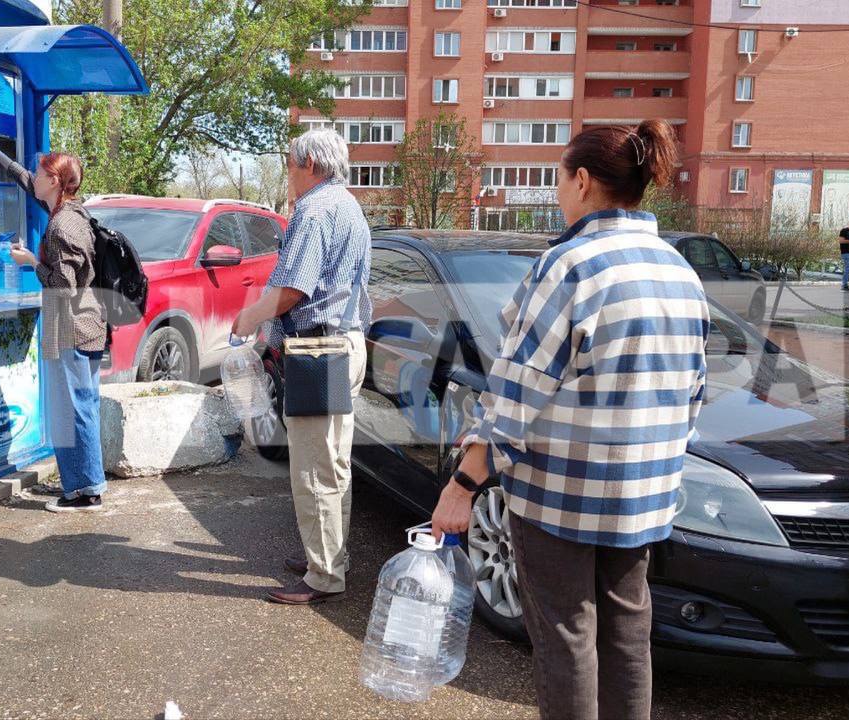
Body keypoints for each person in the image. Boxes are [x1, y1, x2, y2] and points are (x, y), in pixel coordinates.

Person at [430, 120, 709, 720]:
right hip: (644, 495)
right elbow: (692, 393)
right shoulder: (679, 272)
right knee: (629, 634)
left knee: (566, 637)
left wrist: (463, 483)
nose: (558, 192)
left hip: (559, 496)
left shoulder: (569, 265)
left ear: (582, 182)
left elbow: (515, 395)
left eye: (559, 178)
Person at [232, 129, 372, 605]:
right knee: (333, 464)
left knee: (314, 468)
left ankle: (324, 575)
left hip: (319, 351)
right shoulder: (348, 204)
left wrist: (249, 316)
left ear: (310, 163)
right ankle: (330, 557)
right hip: (343, 345)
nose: (288, 174)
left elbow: (294, 288)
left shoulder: (315, 209)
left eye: (290, 165)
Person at [0, 137, 108, 513]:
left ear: (55, 181)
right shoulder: (68, 212)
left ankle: (84, 491)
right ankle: (86, 483)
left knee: (74, 408)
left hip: (72, 327)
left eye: (41, 172)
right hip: (86, 324)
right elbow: (25, 181)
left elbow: (63, 286)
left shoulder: (64, 226)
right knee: (83, 405)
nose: (34, 175)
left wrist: (32, 262)